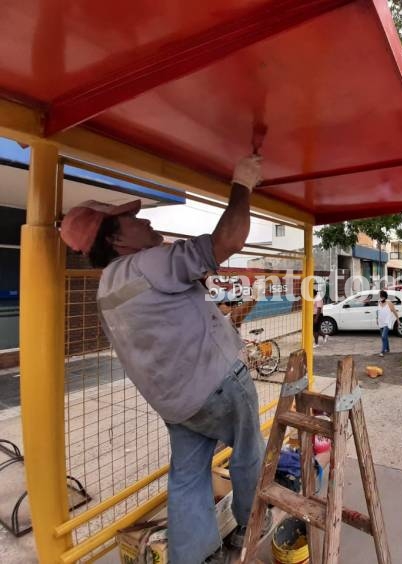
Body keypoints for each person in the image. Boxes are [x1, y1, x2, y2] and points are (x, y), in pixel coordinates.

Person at [59, 155, 265, 564]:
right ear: (116, 240)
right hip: (219, 384)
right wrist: (243, 183)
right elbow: (228, 240)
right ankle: (251, 529)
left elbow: (165, 323)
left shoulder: (107, 287)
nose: (147, 221)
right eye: (133, 220)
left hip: (177, 404)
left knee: (187, 478)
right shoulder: (150, 262)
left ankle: (193, 557)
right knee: (249, 452)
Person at [376, 290, 398, 357]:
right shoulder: (379, 302)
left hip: (387, 322)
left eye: (381, 296)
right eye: (380, 296)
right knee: (385, 337)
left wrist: (398, 319)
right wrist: (376, 319)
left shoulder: (389, 303)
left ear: (384, 297)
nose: (380, 298)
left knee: (383, 336)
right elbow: (377, 311)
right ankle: (388, 349)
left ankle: (382, 351)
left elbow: (394, 311)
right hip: (381, 322)